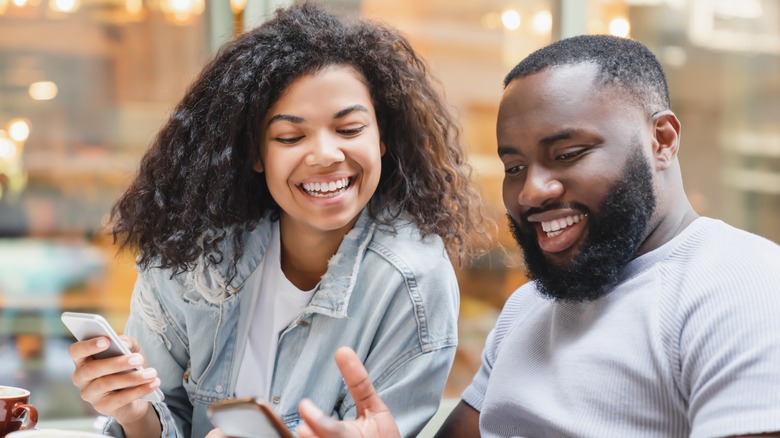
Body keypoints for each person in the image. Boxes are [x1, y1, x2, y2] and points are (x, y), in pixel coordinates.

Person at [295, 35, 780, 438]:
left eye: (568, 153)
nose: (531, 192)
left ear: (663, 140)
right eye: (515, 167)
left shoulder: (742, 286)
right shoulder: (529, 307)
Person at [66, 3, 489, 438]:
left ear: (384, 139)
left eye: (349, 129)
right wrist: (134, 412)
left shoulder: (410, 280)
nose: (326, 155)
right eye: (290, 136)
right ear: (254, 154)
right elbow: (160, 416)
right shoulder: (194, 253)